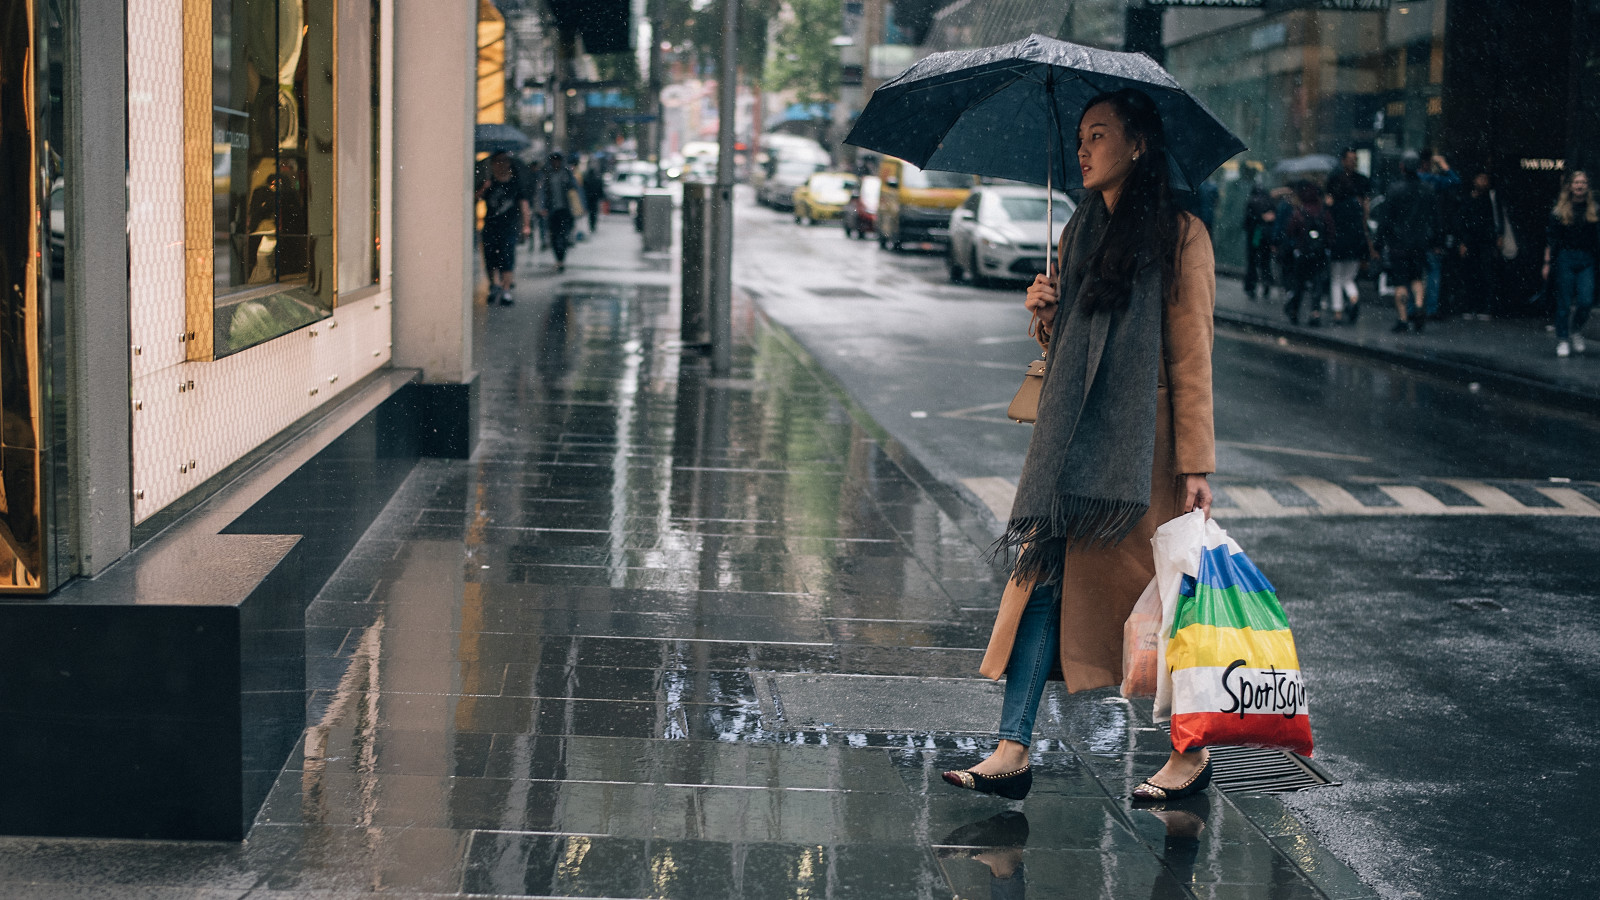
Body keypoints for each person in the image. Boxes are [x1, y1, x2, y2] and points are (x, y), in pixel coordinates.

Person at [941, 88, 1217, 804]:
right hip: (1074, 453)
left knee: (1170, 602)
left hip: (1142, 456)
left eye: (1100, 136)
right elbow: (1074, 346)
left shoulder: (1180, 234)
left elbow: (1192, 356)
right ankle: (1012, 748)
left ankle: (1189, 754)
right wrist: (1045, 314)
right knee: (1041, 586)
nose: (1085, 149)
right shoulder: (1081, 230)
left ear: (1139, 146)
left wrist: (1196, 465)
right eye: (1082, 137)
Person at [1375, 152, 1435, 333]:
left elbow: (1385, 219)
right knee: (1417, 277)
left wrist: (1379, 240)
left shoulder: (1394, 189)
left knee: (1400, 282)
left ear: (1402, 166)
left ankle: (1402, 319)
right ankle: (1418, 306)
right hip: (1419, 242)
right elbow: (1434, 218)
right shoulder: (1427, 189)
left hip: (1398, 243)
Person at [1544, 169, 1598, 357]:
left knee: (1586, 301)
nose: (1580, 185)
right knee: (1564, 302)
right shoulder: (1559, 211)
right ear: (1571, 186)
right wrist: (1547, 262)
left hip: (1587, 259)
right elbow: (1551, 238)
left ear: (1587, 186)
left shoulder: (1594, 210)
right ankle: (1563, 338)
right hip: (1566, 257)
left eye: (1583, 182)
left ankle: (1576, 330)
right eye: (1576, 182)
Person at [475, 151, 531, 305]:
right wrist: (484, 188)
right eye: (497, 161)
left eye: (504, 161)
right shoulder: (489, 182)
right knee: (490, 257)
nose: (501, 164)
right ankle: (495, 285)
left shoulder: (515, 183)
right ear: (492, 164)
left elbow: (524, 204)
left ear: (508, 163)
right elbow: (475, 198)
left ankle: (506, 289)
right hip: (490, 226)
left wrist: (526, 225)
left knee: (507, 258)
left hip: (509, 227)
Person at [1326, 147, 1374, 324]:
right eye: (1351, 158)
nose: (1354, 162)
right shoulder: (1356, 205)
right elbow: (1365, 215)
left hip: (1338, 241)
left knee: (1336, 278)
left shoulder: (1335, 205)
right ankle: (1353, 299)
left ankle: (1338, 312)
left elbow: (1328, 215)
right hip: (1354, 241)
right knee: (1348, 278)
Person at [1450, 170, 1504, 320]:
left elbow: (1496, 218)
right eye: (1481, 178)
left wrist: (1499, 235)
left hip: (1486, 241)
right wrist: (1462, 240)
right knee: (1471, 273)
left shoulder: (1491, 198)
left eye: (1486, 179)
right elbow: (1462, 220)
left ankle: (1484, 307)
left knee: (1485, 273)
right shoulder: (1468, 198)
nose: (1483, 182)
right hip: (1471, 241)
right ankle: (1471, 305)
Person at [1284, 180, 1335, 326]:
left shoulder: (1299, 213)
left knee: (1299, 284)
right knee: (1317, 284)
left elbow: (1290, 231)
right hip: (1319, 255)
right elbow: (1331, 233)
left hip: (1303, 254)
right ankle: (1315, 313)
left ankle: (1294, 311)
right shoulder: (1324, 213)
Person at [1417, 149, 1460, 319]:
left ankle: (1413, 308)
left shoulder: (1411, 181)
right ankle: (1430, 309)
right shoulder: (1432, 181)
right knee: (1433, 271)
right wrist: (1444, 165)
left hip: (1414, 236)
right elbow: (1455, 181)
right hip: (1431, 235)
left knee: (1415, 274)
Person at [536, 151, 582, 272]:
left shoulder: (566, 173)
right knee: (555, 236)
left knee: (563, 235)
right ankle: (559, 259)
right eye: (554, 160)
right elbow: (542, 192)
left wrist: (579, 207)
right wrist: (542, 207)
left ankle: (561, 259)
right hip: (552, 211)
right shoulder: (547, 174)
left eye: (558, 160)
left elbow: (575, 189)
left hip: (566, 210)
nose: (556, 163)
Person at [1241, 182, 1277, 300]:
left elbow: (1247, 221)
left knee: (1252, 261)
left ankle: (1251, 287)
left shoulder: (1251, 201)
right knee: (1265, 261)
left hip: (1254, 235)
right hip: (1266, 235)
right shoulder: (1269, 202)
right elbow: (1274, 220)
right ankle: (1266, 282)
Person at [582, 157, 606, 234]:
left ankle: (592, 225)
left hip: (591, 197)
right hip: (593, 197)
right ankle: (592, 225)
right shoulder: (595, 177)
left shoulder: (589, 177)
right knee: (593, 212)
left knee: (592, 212)